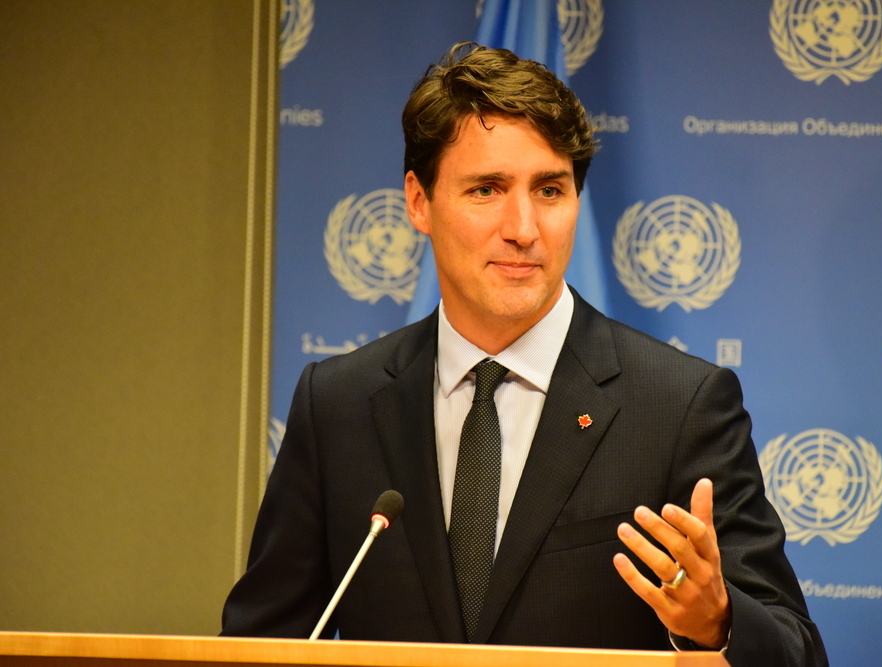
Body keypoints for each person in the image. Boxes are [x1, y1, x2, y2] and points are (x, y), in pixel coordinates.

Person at [221, 43, 827, 667]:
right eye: (486, 189)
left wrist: (718, 622)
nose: (523, 227)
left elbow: (798, 651)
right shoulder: (338, 403)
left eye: (549, 190)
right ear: (419, 201)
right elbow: (257, 644)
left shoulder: (677, 407)